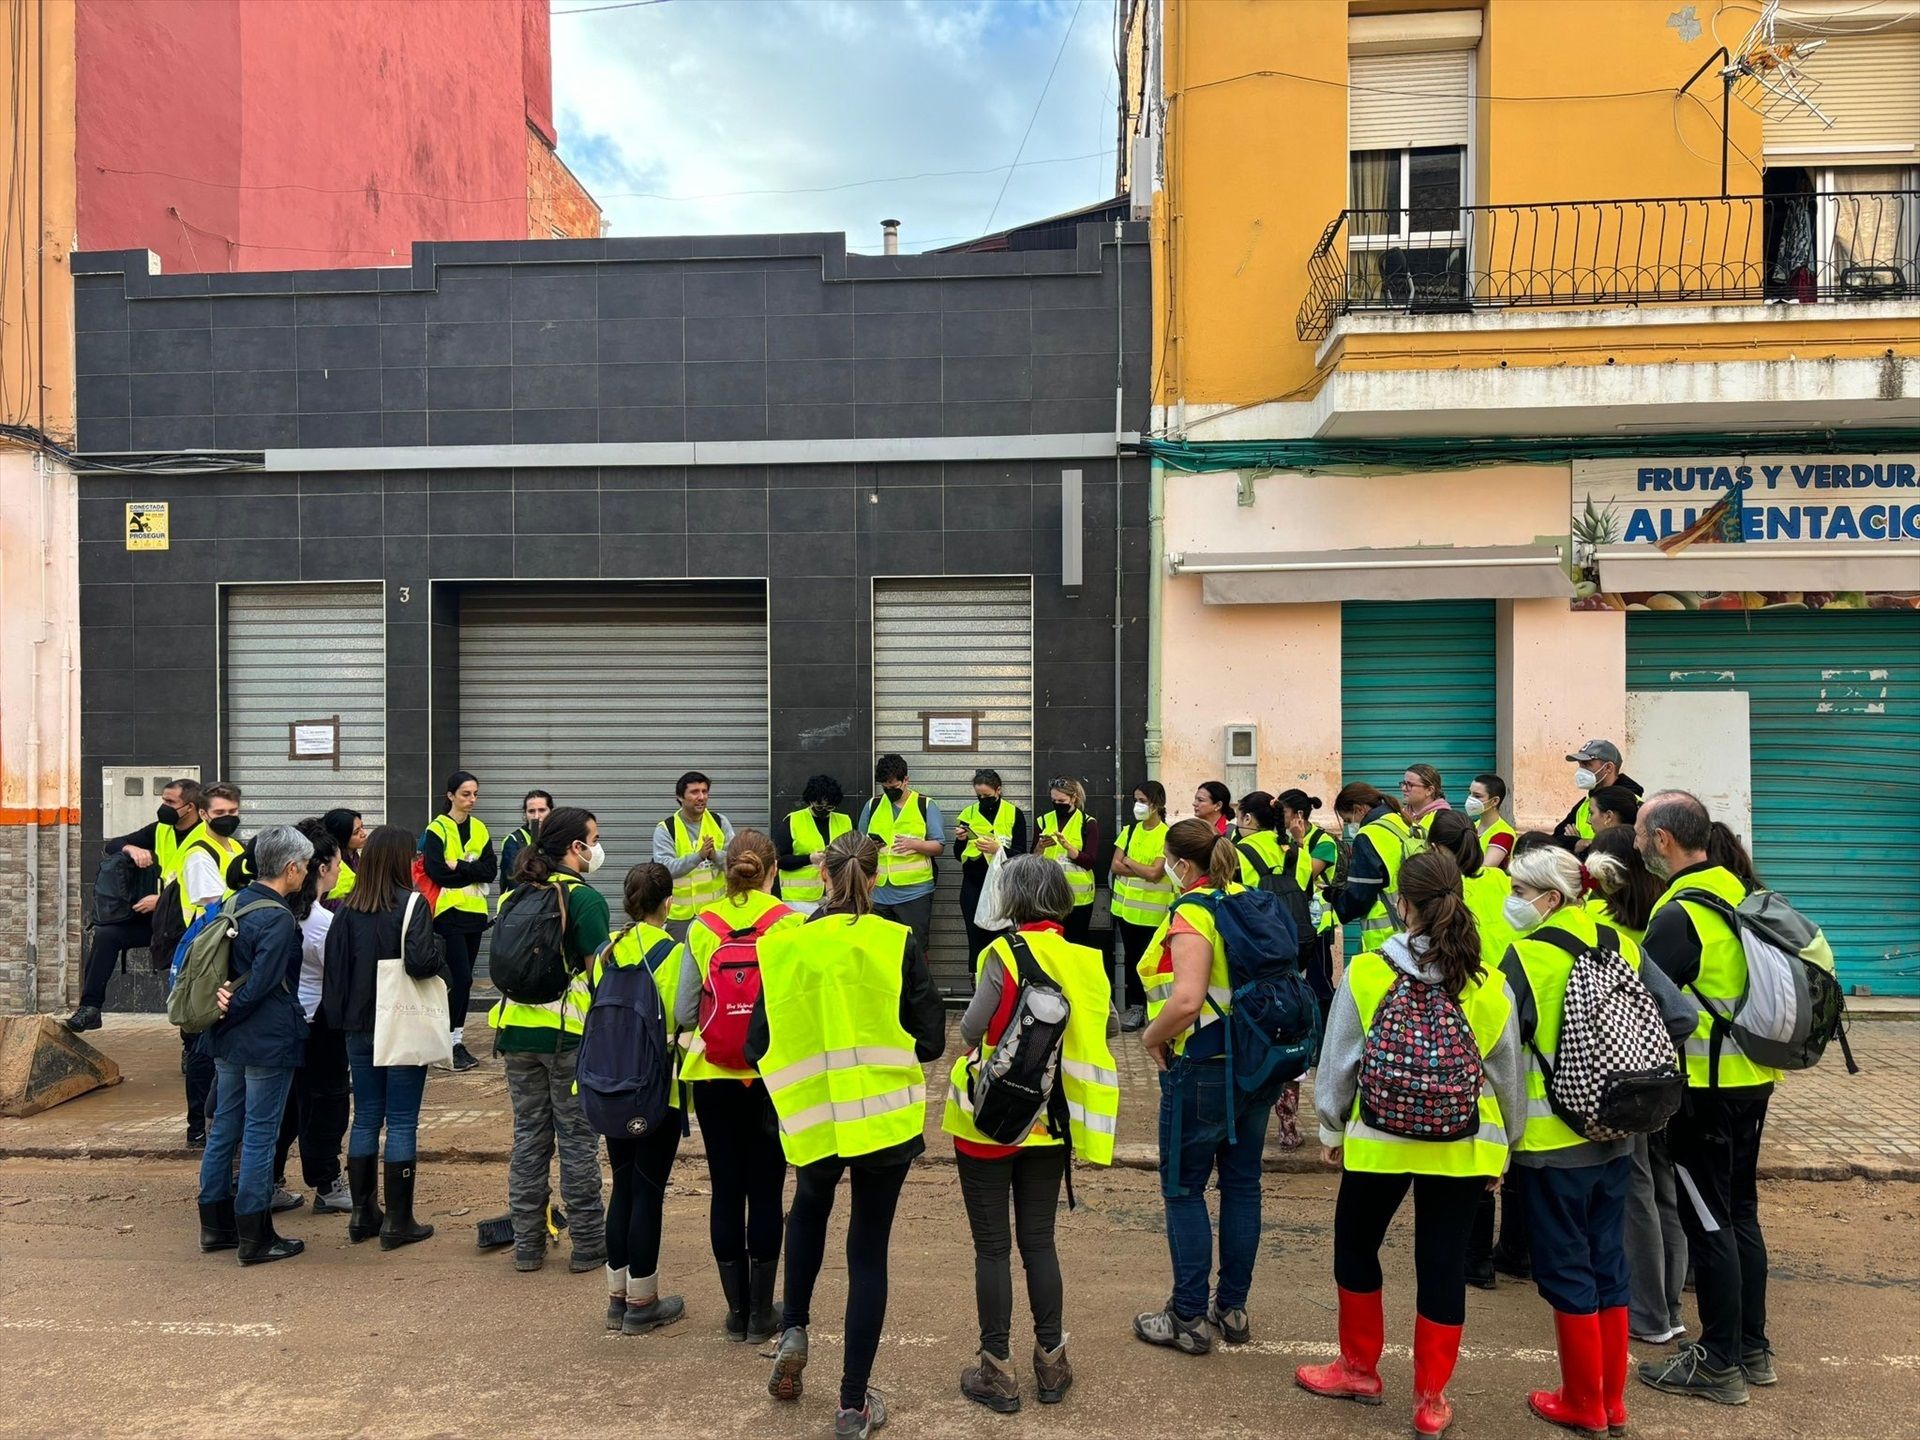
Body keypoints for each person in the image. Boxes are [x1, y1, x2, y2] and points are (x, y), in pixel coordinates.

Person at [1295, 849, 1526, 1439]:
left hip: (1377, 1141)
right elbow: (1508, 1079)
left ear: (1402, 903)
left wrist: (1329, 1127)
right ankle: (1431, 1399)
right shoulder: (1488, 983)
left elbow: (1339, 1061)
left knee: (1356, 1249)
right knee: (1442, 1266)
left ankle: (1359, 1369)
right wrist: (1506, 1148)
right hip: (1461, 1148)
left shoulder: (1370, 972)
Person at [753, 832, 946, 1440]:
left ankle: (794, 1330)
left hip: (815, 1115)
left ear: (822, 874)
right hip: (883, 1118)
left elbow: (758, 1041)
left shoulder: (788, 945)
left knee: (809, 1206)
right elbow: (933, 1039)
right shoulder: (897, 942)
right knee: (868, 1251)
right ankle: (851, 1403)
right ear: (879, 873)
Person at [1501, 845, 1665, 1439]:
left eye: (1519, 892)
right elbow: (1679, 1017)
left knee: (1566, 1266)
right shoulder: (1619, 942)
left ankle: (1583, 1404)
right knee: (1607, 1260)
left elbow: (1496, 1044)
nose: (1511, 901)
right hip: (1618, 1131)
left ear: (1550, 898)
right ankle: (1612, 1401)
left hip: (1551, 1140)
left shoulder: (1527, 956)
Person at [944, 854, 1118, 1413]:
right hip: (1053, 1124)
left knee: (991, 1248)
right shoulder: (1087, 961)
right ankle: (1052, 1363)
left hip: (990, 1121)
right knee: (1039, 1243)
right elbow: (1105, 1030)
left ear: (1013, 901)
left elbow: (972, 1029)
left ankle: (997, 1369)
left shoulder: (1001, 953)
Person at [1635, 791, 1778, 1406]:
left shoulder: (1680, 913)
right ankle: (1752, 1347)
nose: (1637, 841)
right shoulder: (1741, 891)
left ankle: (1719, 1363)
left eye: (1642, 832)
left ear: (1663, 839)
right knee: (1740, 1210)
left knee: (1710, 1219)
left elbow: (1641, 1003)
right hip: (1754, 1080)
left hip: (1705, 1091)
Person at [1132, 819, 1277, 1357]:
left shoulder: (1194, 910)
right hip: (1256, 1066)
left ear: (1183, 866)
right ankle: (1232, 1308)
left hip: (1203, 1065)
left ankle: (1187, 1316)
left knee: (1183, 1188)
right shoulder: (1251, 898)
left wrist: (1150, 1037)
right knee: (1242, 1186)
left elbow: (1187, 999)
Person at [675, 830, 805, 1341]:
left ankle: (735, 1312)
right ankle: (762, 1311)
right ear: (773, 871)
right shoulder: (791, 924)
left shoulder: (702, 926)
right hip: (770, 1075)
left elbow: (686, 1011)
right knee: (768, 1188)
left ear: (728, 868)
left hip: (713, 1074)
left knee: (726, 1188)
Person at [1585, 828, 1690, 1347]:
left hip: (1628, 1084)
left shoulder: (1609, 932)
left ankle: (1649, 1314)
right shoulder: (1656, 916)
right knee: (1662, 1191)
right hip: (1664, 1080)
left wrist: (1632, 1047)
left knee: (1639, 1193)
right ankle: (1669, 1306)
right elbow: (1681, 1016)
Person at [492, 806, 607, 1275]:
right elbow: (599, 975)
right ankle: (588, 1246)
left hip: (516, 1034)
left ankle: (526, 1246)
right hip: (567, 1038)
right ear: (575, 848)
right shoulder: (586, 900)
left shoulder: (511, 897)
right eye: (594, 839)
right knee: (577, 1139)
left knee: (529, 1138)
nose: (598, 847)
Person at [195, 825, 313, 1266]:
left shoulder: (236, 901)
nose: (304, 874)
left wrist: (221, 1012)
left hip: (227, 1038)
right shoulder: (279, 917)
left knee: (225, 1127)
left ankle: (215, 1227)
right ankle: (255, 1235)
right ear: (290, 867)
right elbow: (263, 984)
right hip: (266, 1038)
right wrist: (234, 1007)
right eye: (302, 867)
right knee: (261, 1134)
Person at [322, 824, 444, 1250]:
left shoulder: (346, 908)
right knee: (403, 1119)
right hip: (402, 1021)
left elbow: (333, 971)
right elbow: (422, 963)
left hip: (358, 1025)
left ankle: (361, 1213)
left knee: (367, 1114)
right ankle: (398, 1220)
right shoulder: (412, 904)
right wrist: (441, 949)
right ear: (400, 860)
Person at [1423, 809, 1528, 1292]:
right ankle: (1508, 1252)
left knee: (1467, 1138)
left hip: (1458, 1015)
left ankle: (1474, 1258)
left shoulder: (1448, 895)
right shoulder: (1504, 885)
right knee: (1501, 1137)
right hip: (1506, 1010)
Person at [591, 862, 688, 1336]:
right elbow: (685, 1016)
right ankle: (643, 1303)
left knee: (623, 1186)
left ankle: (616, 1298)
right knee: (648, 1191)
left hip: (609, 1086)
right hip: (656, 1091)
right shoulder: (674, 953)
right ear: (667, 902)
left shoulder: (608, 950)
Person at [68, 777, 202, 1032]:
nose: (163, 806)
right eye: (163, 800)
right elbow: (113, 845)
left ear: (190, 807)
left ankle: (191, 1042)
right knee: (107, 935)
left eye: (170, 802)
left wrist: (163, 901)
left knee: (192, 976)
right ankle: (91, 1008)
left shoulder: (207, 837)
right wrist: (131, 848)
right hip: (159, 920)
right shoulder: (161, 830)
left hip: (192, 923)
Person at [270, 819, 351, 1218]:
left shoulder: (277, 912)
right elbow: (340, 977)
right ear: (321, 869)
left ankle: (269, 1181)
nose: (341, 870)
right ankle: (327, 1183)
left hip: (281, 1023)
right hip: (318, 1026)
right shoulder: (322, 924)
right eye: (337, 863)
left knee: (283, 1106)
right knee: (326, 1104)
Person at [1233, 792, 1307, 1150]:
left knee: (1252, 1031)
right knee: (1289, 1031)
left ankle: (1247, 1117)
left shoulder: (1238, 853)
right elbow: (1305, 889)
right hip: (1292, 954)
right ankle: (1289, 1123)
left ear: (1248, 819)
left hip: (1254, 957)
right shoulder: (1294, 850)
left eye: (1238, 816)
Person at [179, 781, 248, 1147]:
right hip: (207, 953)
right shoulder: (198, 852)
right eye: (220, 813)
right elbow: (213, 902)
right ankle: (198, 1127)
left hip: (228, 947)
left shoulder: (235, 846)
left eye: (233, 812)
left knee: (219, 1040)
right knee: (202, 1044)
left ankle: (219, 1119)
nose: (228, 819)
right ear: (203, 814)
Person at [418, 771, 497, 1071]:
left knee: (464, 980)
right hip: (448, 913)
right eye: (466, 794)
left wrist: (460, 865)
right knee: (460, 978)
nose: (472, 799)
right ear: (450, 795)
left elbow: (490, 870)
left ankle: (455, 1038)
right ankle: (449, 1042)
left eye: (475, 793)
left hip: (475, 914)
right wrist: (470, 870)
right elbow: (437, 871)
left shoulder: (480, 828)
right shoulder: (437, 829)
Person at [859, 754, 946, 957]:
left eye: (893, 786)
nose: (890, 792)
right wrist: (869, 845)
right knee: (881, 950)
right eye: (885, 788)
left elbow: (939, 846)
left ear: (906, 780)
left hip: (915, 892)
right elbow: (859, 843)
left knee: (915, 949)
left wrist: (915, 844)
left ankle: (916, 989)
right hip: (878, 892)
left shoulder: (925, 805)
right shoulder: (872, 806)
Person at [1325, 782, 1421, 954]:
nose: (1349, 826)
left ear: (1359, 809)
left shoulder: (1368, 835)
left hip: (1387, 937)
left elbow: (1359, 896)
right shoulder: (1405, 823)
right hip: (1418, 928)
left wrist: (1333, 895)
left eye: (1348, 820)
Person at [1110, 781, 1174, 1032]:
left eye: (1143, 801)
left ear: (1157, 804)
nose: (1138, 806)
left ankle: (1155, 1011)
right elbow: (1115, 865)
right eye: (1136, 800)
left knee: (1153, 963)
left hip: (1154, 914)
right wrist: (1135, 866)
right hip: (1125, 912)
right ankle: (1136, 1008)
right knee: (1133, 960)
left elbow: (1155, 873)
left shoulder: (1167, 835)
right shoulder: (1129, 831)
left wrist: (1127, 860)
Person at [1276, 789, 1339, 1032]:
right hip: (1289, 922)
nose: (1277, 817)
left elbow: (1301, 877)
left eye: (1282, 812)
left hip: (1316, 925)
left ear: (1298, 814)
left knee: (1318, 983)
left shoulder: (1324, 842)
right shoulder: (1279, 840)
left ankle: (1324, 1038)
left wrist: (1298, 842)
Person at [653, 771, 735, 942]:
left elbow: (735, 862)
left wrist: (714, 855)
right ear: (680, 797)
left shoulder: (720, 822)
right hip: (680, 917)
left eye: (705, 792)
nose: (701, 797)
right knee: (680, 963)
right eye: (694, 792)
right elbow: (665, 869)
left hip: (717, 912)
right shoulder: (666, 828)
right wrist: (698, 856)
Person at [955, 768, 1027, 962]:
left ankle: (1000, 980)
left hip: (1002, 885)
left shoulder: (1014, 814)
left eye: (987, 795)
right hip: (973, 885)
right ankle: (977, 981)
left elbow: (1021, 854)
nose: (982, 799)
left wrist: (999, 849)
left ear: (998, 790)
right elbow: (957, 854)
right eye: (979, 795)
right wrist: (961, 839)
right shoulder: (967, 813)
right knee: (975, 938)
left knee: (999, 938)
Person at [1035, 777, 1101, 946]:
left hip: (1078, 899)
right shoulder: (1043, 820)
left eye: (1062, 801)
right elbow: (1033, 859)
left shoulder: (1087, 823)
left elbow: (1090, 861)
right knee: (1050, 946)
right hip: (1049, 896)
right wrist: (1040, 847)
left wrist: (1069, 848)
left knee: (1075, 945)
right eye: (1054, 800)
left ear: (1074, 798)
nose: (1057, 804)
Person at [777, 775, 853, 916]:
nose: (824, 810)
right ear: (810, 800)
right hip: (799, 900)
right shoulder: (793, 820)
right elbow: (780, 860)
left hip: (836, 896)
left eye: (829, 807)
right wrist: (809, 859)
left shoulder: (845, 821)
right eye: (819, 806)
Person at [1555, 741, 1642, 855]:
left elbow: (1624, 846)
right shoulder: (1586, 802)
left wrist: (1586, 846)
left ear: (1608, 768)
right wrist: (1577, 843)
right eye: (1580, 765)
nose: (1580, 771)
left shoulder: (1630, 803)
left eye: (1586, 764)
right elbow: (1556, 839)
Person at [498, 789, 553, 905]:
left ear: (551, 812)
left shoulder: (557, 839)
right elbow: (515, 879)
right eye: (531, 811)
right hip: (521, 906)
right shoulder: (513, 840)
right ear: (525, 815)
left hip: (551, 905)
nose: (536, 816)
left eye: (542, 810)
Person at [1467, 774, 1517, 871]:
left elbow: (1484, 869)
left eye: (1477, 796)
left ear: (1494, 801)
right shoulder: (1473, 826)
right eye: (1470, 793)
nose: (1470, 799)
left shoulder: (1503, 834)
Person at [321, 808, 365, 904]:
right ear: (341, 836)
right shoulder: (329, 864)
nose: (363, 834)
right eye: (356, 832)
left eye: (362, 827)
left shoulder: (355, 857)